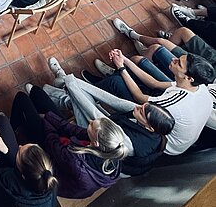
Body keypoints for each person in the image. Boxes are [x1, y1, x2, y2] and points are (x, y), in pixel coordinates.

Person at [0, 87, 128, 199]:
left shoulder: (75, 160)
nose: (89, 122)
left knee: (21, 99)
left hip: (51, 159)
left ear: (96, 143)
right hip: (64, 148)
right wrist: (48, 116)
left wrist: (44, 119)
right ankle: (31, 110)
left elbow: (50, 140)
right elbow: (73, 130)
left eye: (91, 126)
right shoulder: (110, 148)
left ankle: (12, 126)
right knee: (37, 93)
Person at [39, 62, 175, 176]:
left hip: (106, 153)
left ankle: (58, 89)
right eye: (143, 106)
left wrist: (71, 83)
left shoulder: (132, 144)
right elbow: (114, 101)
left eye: (142, 111)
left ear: (149, 127)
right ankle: (59, 88)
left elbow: (96, 117)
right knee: (79, 98)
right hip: (112, 129)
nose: (139, 107)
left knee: (83, 109)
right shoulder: (145, 115)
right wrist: (73, 81)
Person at [81, 44, 214, 156]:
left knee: (116, 82)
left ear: (189, 78)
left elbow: (140, 98)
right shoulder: (199, 87)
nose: (173, 59)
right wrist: (125, 61)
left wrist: (121, 68)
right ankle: (104, 83)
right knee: (130, 77)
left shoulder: (174, 104)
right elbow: (154, 83)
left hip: (160, 141)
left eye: (178, 63)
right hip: (166, 120)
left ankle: (85, 91)